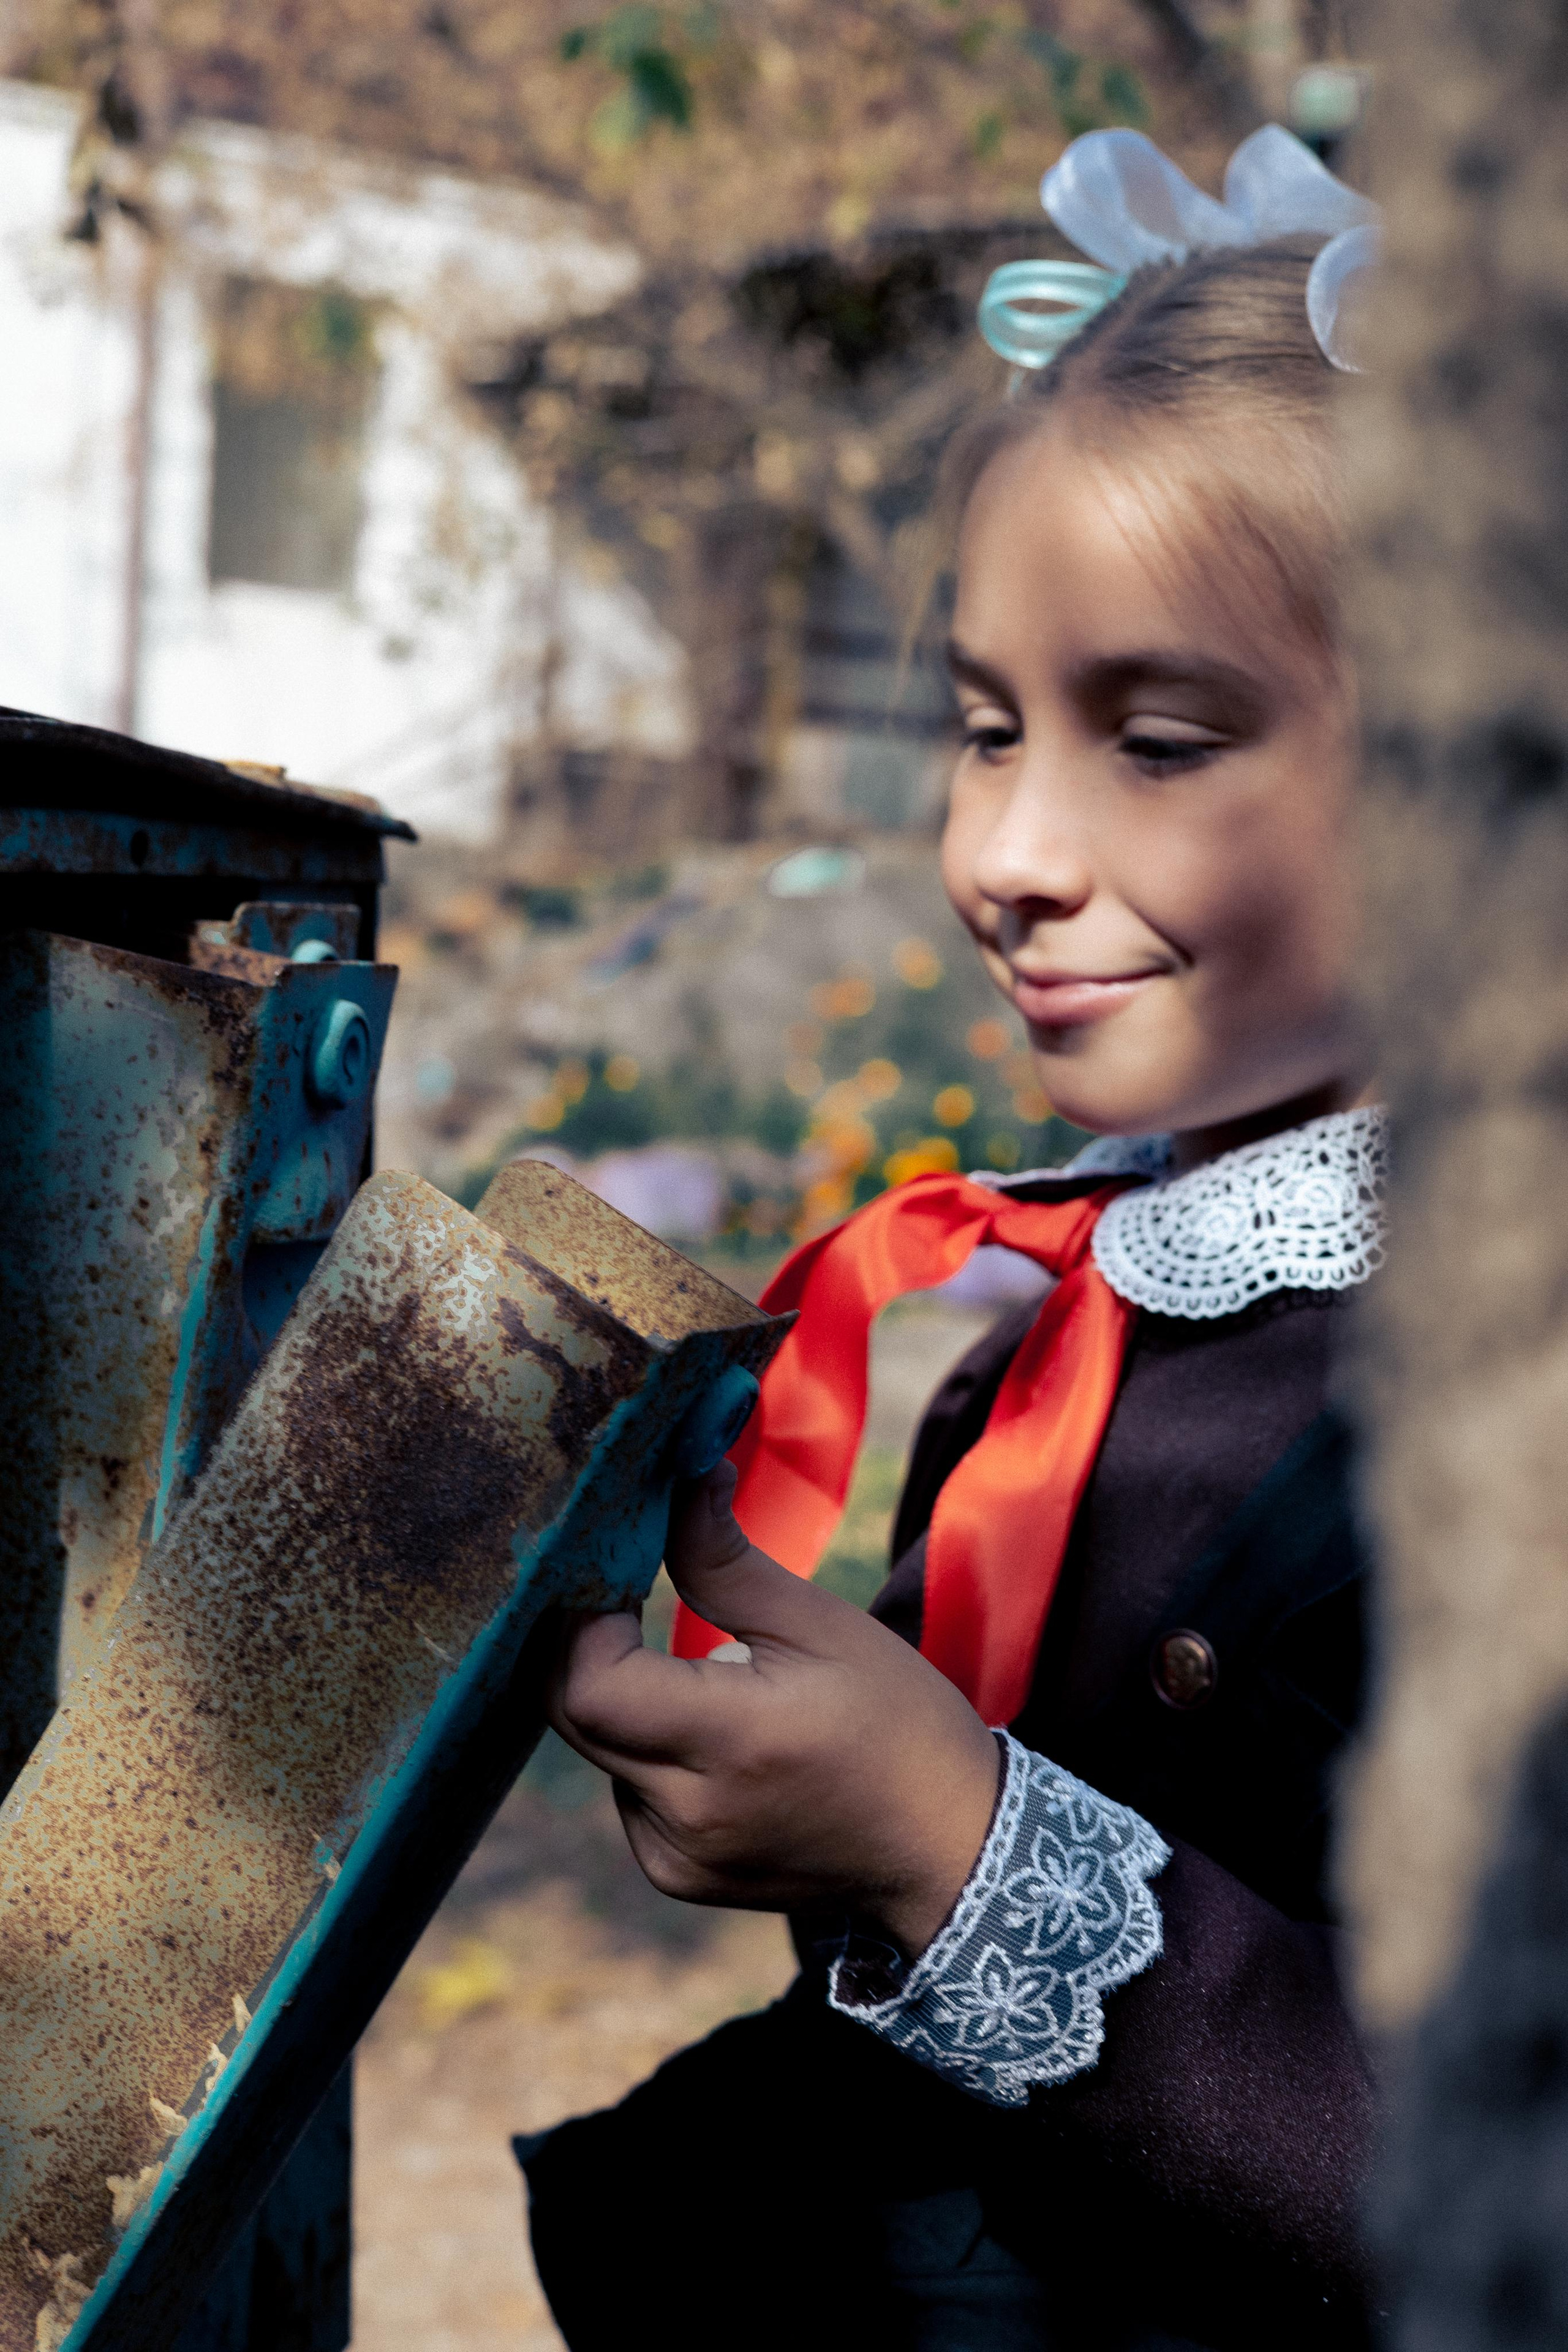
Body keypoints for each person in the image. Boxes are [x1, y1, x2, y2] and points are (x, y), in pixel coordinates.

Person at [519, 126, 1384, 2351]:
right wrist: (821, 1788)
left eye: (1157, 740)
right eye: (988, 728)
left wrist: (945, 1841)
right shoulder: (1088, 1308)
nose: (1005, 849)